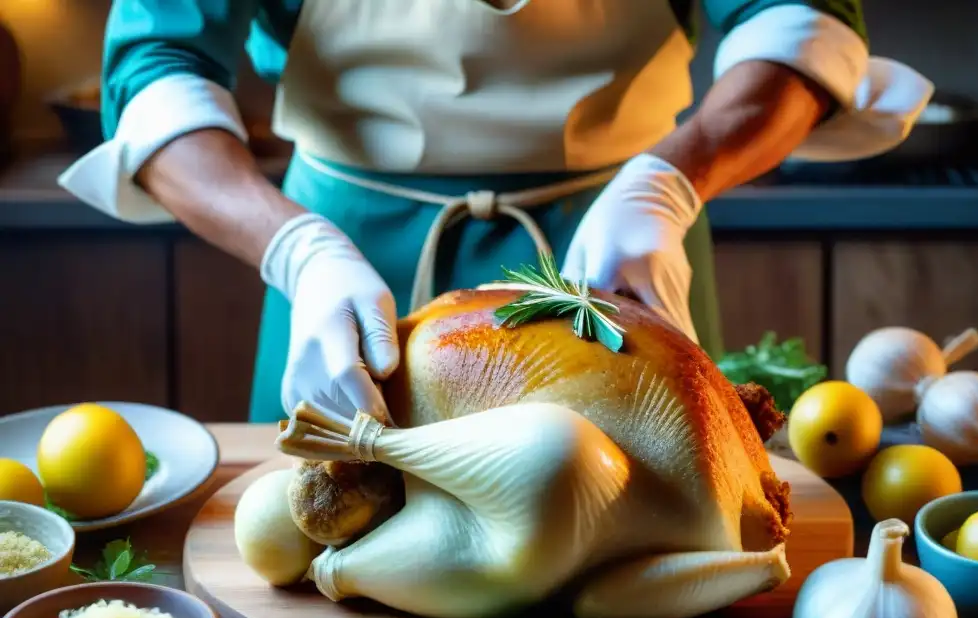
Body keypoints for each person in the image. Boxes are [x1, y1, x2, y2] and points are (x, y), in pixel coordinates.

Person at [60, 1, 932, 425]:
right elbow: (157, 73)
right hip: (353, 264)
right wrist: (296, 251)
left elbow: (802, 26)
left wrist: (667, 182)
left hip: (615, 245)